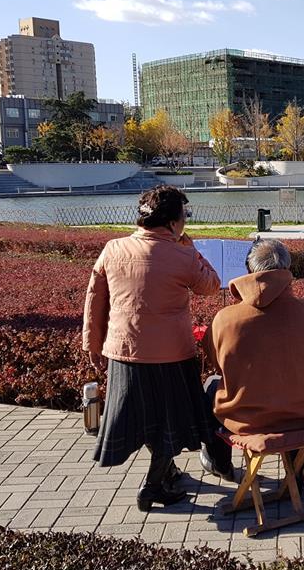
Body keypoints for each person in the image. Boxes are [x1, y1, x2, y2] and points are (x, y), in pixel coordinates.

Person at [83, 186, 221, 512]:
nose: (185, 221)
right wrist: (190, 248)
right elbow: (212, 285)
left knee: (146, 420)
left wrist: (92, 344)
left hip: (123, 353)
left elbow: (94, 299)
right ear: (174, 222)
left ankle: (166, 471)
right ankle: (153, 486)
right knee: (172, 423)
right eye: (184, 216)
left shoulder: (112, 248)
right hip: (172, 355)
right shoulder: (182, 253)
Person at [200, 239, 304, 479]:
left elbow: (217, 364)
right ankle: (295, 474)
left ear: (249, 270)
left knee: (210, 387)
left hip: (246, 422)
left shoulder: (225, 318)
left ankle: (220, 463)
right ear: (288, 269)